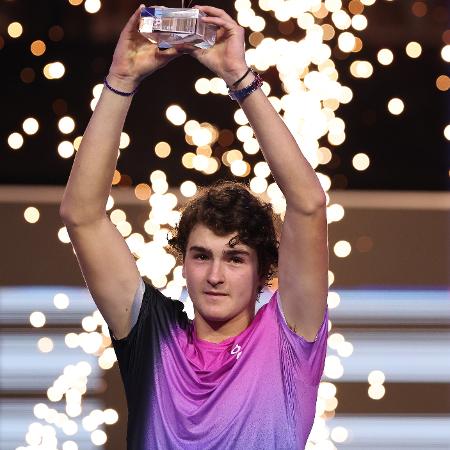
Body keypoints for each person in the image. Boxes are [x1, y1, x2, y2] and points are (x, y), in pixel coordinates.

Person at [59, 4, 329, 449]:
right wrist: (122, 80)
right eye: (202, 255)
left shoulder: (288, 339)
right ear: (183, 262)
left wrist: (240, 79)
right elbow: (81, 215)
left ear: (264, 271)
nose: (216, 275)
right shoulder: (152, 337)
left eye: (236, 258)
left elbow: (309, 205)